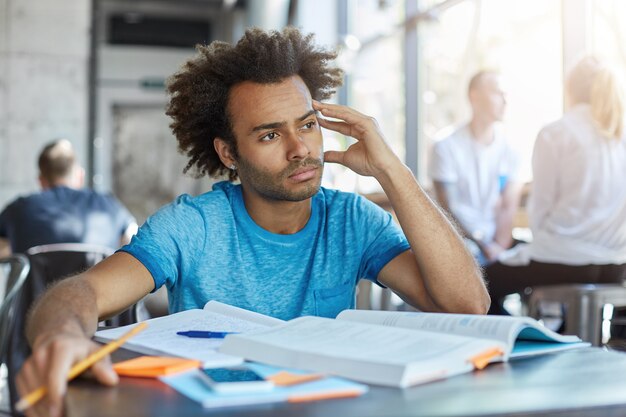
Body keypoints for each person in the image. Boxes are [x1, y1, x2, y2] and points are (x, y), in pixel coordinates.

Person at [17, 27, 489, 417]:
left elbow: (467, 305)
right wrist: (60, 336)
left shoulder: (351, 220)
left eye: (307, 124)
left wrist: (394, 171)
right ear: (229, 153)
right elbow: (81, 293)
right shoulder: (194, 225)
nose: (299, 148)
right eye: (269, 134)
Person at [486, 57, 626, 315]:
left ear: (570, 90)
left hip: (562, 262)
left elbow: (539, 216)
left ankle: (522, 338)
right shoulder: (620, 135)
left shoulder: (556, 133)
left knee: (476, 283)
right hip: (615, 267)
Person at [429, 71, 523, 265]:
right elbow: (448, 208)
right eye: (497, 93)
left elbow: (508, 207)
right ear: (475, 96)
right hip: (459, 242)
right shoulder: (445, 146)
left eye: (506, 94)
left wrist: (498, 247)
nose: (505, 100)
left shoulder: (511, 149)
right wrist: (482, 244)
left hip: (494, 245)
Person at [0, 139, 137, 254]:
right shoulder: (108, 205)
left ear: (41, 180)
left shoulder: (18, 209)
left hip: (39, 287)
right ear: (80, 176)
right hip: (98, 286)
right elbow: (135, 243)